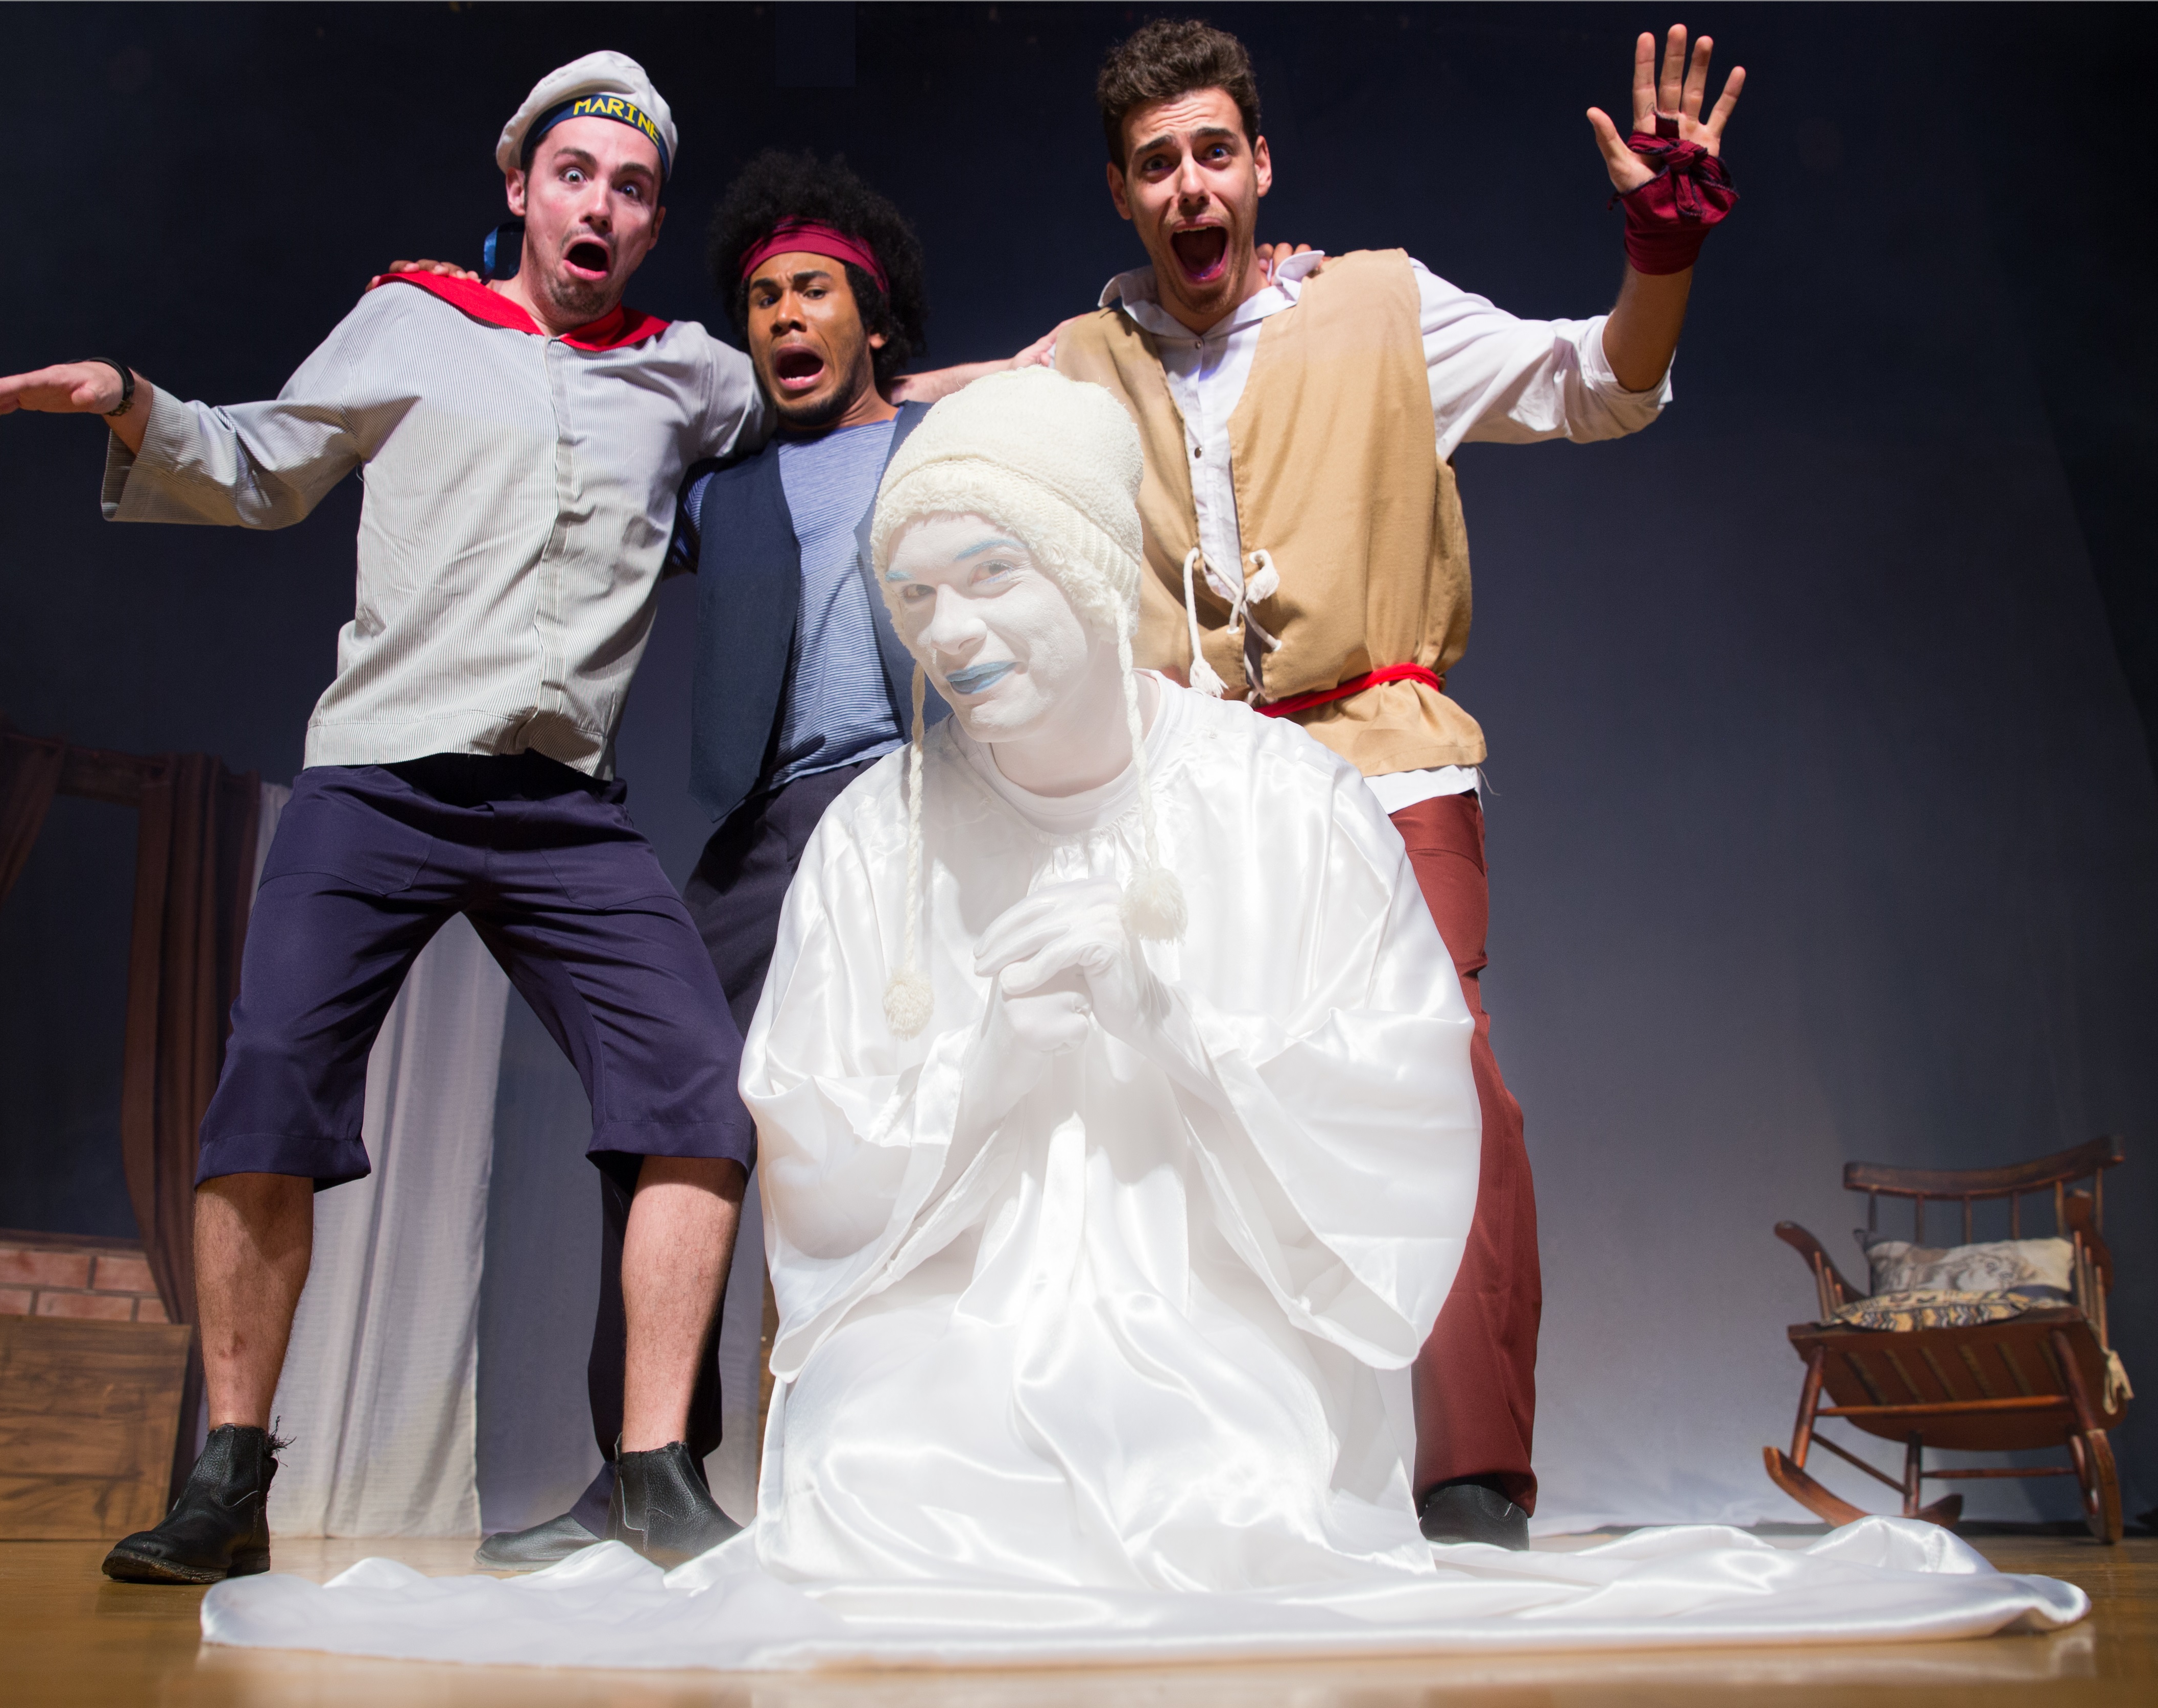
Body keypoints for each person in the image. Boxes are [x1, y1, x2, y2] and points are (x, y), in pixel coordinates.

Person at [197, 372, 2084, 1668]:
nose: (950, 630)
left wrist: (1174, 1024)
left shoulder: (1289, 807)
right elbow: (815, 1141)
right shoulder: (877, 835)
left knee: (1209, 1482)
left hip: (1225, 1323)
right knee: (902, 1476)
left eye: (991, 573)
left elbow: (1396, 1107)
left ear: (1097, 567)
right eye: (913, 594)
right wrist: (988, 1064)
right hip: (948, 1318)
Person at [0, 51, 771, 1582]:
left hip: (565, 807)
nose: (600, 208)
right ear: (521, 188)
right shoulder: (414, 320)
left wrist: (1026, 364)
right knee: (269, 1083)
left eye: (632, 189)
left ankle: (657, 1470)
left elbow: (833, 387)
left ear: (655, 225)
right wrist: (129, 400)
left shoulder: (690, 373)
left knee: (698, 1095)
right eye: (575, 176)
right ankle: (230, 1480)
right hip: (381, 778)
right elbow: (263, 463)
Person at [1035, 18, 1747, 1547]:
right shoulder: (1083, 364)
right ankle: (1234, 1476)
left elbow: (1600, 383)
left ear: (1261, 164)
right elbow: (940, 415)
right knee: (1177, 1113)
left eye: (1213, 152)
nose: (1189, 186)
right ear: (1122, 193)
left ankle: (1473, 1479)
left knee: (1446, 1084)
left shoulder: (1378, 305)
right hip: (1198, 806)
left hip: (1384, 771)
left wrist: (1662, 252)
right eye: (1156, 164)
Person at [473, 150, 966, 1569]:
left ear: (874, 315)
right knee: (662, 1105)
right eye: (761, 299)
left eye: (813, 291)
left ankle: (919, 1479)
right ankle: (645, 1469)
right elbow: (592, 477)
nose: (784, 316)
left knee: (928, 1133)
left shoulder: (942, 442)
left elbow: (1081, 375)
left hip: (922, 808)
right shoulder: (727, 487)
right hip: (765, 825)